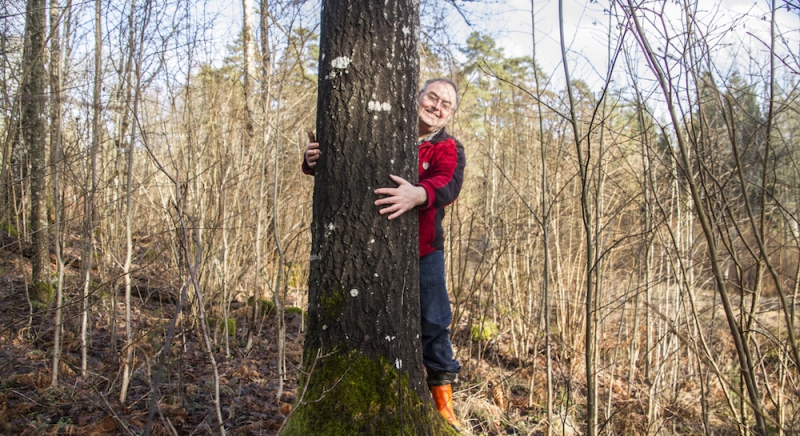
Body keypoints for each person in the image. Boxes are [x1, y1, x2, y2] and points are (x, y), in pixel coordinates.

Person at [303, 78, 466, 430]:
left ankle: (442, 402)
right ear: (418, 95)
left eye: (446, 105)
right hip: (366, 247)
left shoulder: (448, 147)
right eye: (432, 97)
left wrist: (418, 195)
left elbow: (448, 182)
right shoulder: (382, 126)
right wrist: (314, 161)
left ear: (450, 114)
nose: (437, 107)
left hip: (425, 250)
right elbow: (350, 167)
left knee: (435, 322)